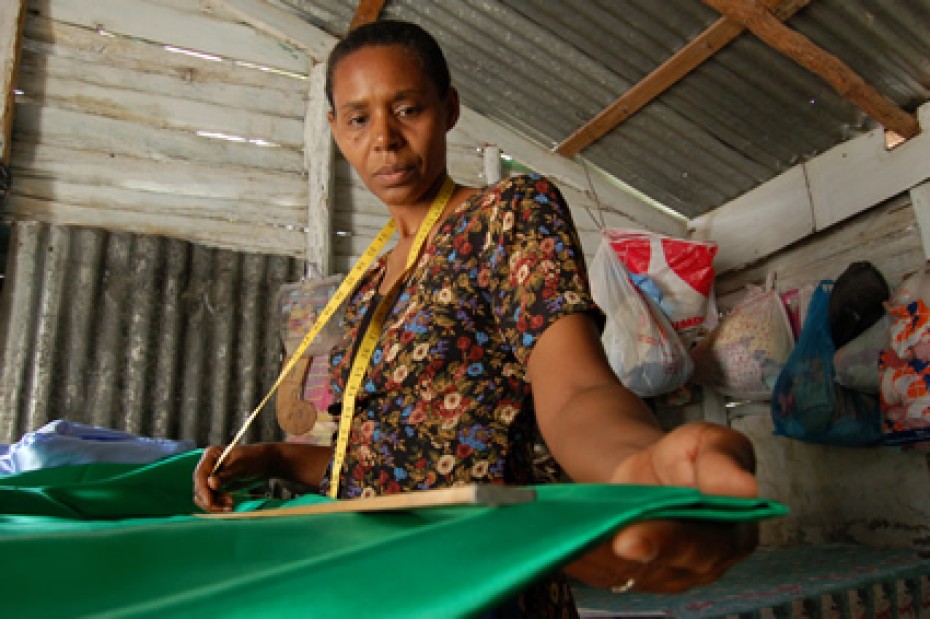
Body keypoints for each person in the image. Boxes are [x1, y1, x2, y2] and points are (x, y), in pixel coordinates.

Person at [194, 19, 759, 618]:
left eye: (407, 108)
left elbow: (575, 387)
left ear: (449, 108)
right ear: (335, 130)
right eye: (358, 119)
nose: (383, 138)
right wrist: (277, 460)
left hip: (481, 583)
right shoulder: (361, 291)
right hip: (375, 584)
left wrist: (635, 466)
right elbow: (379, 461)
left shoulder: (508, 215)